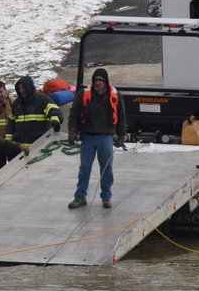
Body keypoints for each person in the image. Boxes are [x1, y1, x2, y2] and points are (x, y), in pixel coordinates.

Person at [67, 68, 126, 210]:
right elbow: (74, 113)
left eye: (100, 80)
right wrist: (72, 131)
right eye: (96, 80)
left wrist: (121, 135)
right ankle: (80, 197)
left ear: (106, 82)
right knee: (84, 168)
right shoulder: (83, 94)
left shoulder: (116, 96)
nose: (97, 83)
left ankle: (106, 197)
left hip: (106, 137)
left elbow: (122, 116)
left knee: (107, 169)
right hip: (88, 137)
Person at [9, 75, 62, 145]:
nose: (21, 90)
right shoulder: (16, 103)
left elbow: (53, 109)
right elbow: (10, 124)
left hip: (40, 145)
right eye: (20, 88)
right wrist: (8, 142)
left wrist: (55, 120)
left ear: (29, 87)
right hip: (22, 147)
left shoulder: (42, 99)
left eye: (24, 88)